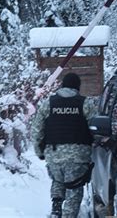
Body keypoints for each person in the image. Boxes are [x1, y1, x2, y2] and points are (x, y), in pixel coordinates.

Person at [31, 72, 96, 218]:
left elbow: (36, 130)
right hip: (78, 156)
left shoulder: (49, 103)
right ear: (77, 87)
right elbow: (96, 127)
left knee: (58, 179)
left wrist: (39, 152)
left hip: (53, 155)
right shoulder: (85, 103)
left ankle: (56, 207)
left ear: (62, 85)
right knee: (74, 188)